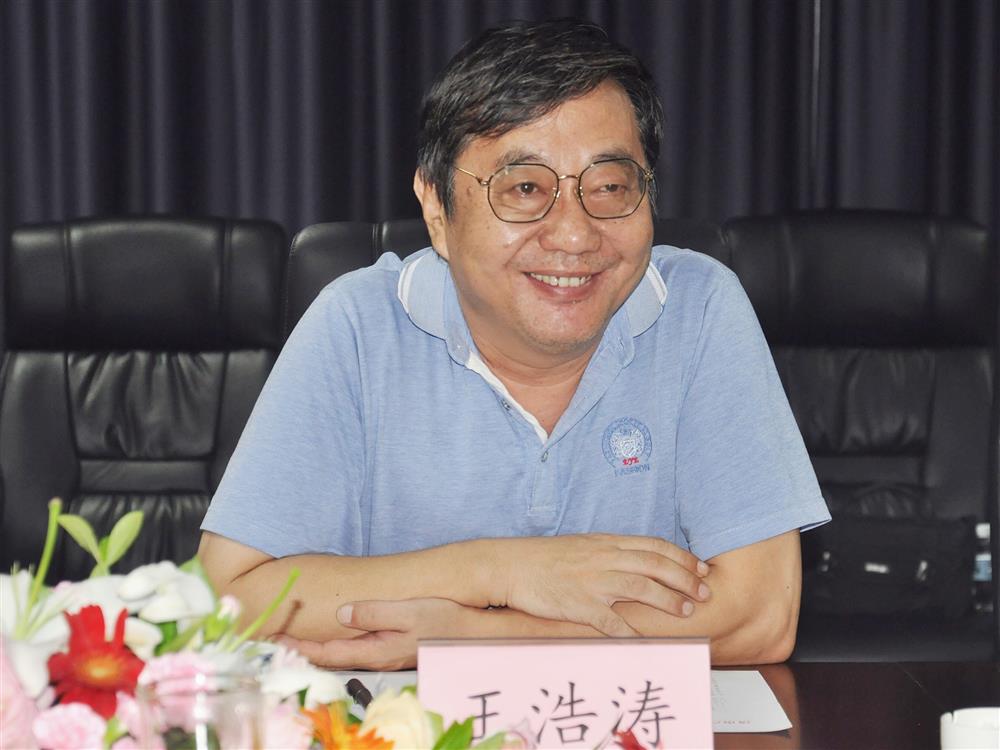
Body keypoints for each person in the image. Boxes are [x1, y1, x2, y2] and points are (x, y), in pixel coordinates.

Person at [198, 19, 830, 670]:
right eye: (525, 189)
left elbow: (760, 613)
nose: (575, 235)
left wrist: (473, 636)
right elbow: (224, 601)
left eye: (610, 187)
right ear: (436, 209)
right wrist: (498, 570)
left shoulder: (698, 308)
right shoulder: (357, 326)